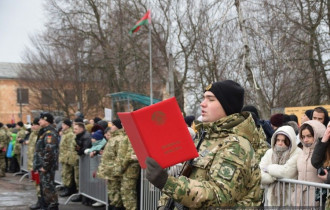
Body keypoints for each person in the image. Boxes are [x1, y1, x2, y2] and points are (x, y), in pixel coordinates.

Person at [146, 80, 262, 208]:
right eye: (203, 98)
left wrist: (167, 182)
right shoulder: (205, 137)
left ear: (227, 105)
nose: (202, 104)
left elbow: (221, 196)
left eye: (210, 99)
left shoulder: (236, 145)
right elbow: (186, 177)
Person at [259, 126, 302, 206]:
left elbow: (287, 172)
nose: (280, 143)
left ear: (290, 141)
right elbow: (259, 172)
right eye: (278, 140)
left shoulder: (297, 152)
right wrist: (273, 177)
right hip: (270, 196)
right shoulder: (270, 152)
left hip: (290, 197)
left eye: (283, 140)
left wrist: (268, 168)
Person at [295, 120, 326, 206]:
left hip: (317, 200)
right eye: (303, 136)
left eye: (309, 136)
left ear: (317, 135)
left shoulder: (324, 154)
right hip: (300, 199)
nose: (305, 140)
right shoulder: (300, 152)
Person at [97, 120, 125, 209]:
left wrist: (115, 171)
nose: (111, 127)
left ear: (117, 127)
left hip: (114, 171)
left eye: (113, 125)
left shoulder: (120, 139)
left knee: (116, 194)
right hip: (109, 171)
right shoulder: (113, 138)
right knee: (112, 194)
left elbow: (119, 156)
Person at [33, 112, 59, 210]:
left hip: (47, 166)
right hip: (41, 165)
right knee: (44, 186)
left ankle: (52, 205)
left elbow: (50, 151)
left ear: (46, 120)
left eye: (41, 119)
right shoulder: (44, 132)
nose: (39, 121)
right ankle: (46, 205)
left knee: (48, 186)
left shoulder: (50, 133)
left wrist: (45, 166)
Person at [114, 126, 140, 210]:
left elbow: (131, 156)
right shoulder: (126, 135)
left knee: (129, 196)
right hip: (125, 170)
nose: (123, 125)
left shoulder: (133, 135)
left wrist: (121, 167)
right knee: (125, 194)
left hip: (129, 170)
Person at [71, 122, 91, 203]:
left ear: (81, 129)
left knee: (84, 178)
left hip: (85, 161)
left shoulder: (86, 137)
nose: (74, 130)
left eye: (76, 129)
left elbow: (85, 148)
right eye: (74, 129)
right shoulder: (79, 136)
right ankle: (81, 194)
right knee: (79, 178)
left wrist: (79, 151)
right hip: (80, 161)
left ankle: (85, 196)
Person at [311, 122, 330, 207]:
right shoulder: (326, 145)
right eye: (329, 127)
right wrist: (323, 140)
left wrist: (328, 177)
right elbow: (315, 162)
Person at [58, 119, 76, 197]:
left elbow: (70, 147)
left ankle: (68, 189)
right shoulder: (64, 134)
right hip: (63, 156)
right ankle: (65, 187)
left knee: (68, 174)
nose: (62, 126)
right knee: (64, 173)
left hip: (67, 157)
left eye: (63, 125)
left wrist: (68, 158)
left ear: (67, 126)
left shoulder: (70, 134)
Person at [26, 118, 41, 210]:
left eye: (34, 124)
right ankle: (39, 200)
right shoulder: (33, 134)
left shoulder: (40, 135)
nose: (32, 126)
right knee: (36, 183)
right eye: (32, 125)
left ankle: (42, 201)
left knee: (40, 184)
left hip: (38, 164)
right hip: (32, 163)